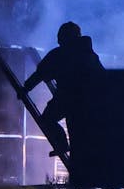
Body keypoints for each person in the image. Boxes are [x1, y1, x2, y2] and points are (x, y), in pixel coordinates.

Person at [22, 21, 105, 160]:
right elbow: (103, 78)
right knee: (80, 136)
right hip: (89, 103)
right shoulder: (90, 55)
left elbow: (40, 74)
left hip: (68, 98)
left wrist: (25, 88)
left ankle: (63, 146)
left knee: (47, 120)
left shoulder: (60, 54)